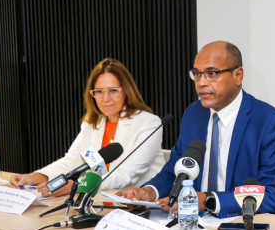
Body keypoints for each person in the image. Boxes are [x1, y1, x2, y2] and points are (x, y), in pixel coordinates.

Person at [117, 41, 275, 218]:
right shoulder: (193, 113)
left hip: (245, 225)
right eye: (197, 74)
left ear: (238, 75)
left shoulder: (269, 122)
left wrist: (208, 200)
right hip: (195, 224)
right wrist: (149, 192)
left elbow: (272, 195)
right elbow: (174, 173)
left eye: (212, 73)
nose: (201, 82)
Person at [9, 58, 165, 196]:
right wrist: (37, 176)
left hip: (136, 206)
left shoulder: (148, 124)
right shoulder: (93, 122)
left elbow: (125, 175)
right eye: (99, 91)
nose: (105, 98)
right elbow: (73, 160)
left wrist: (78, 185)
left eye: (113, 91)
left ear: (126, 91)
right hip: (99, 198)